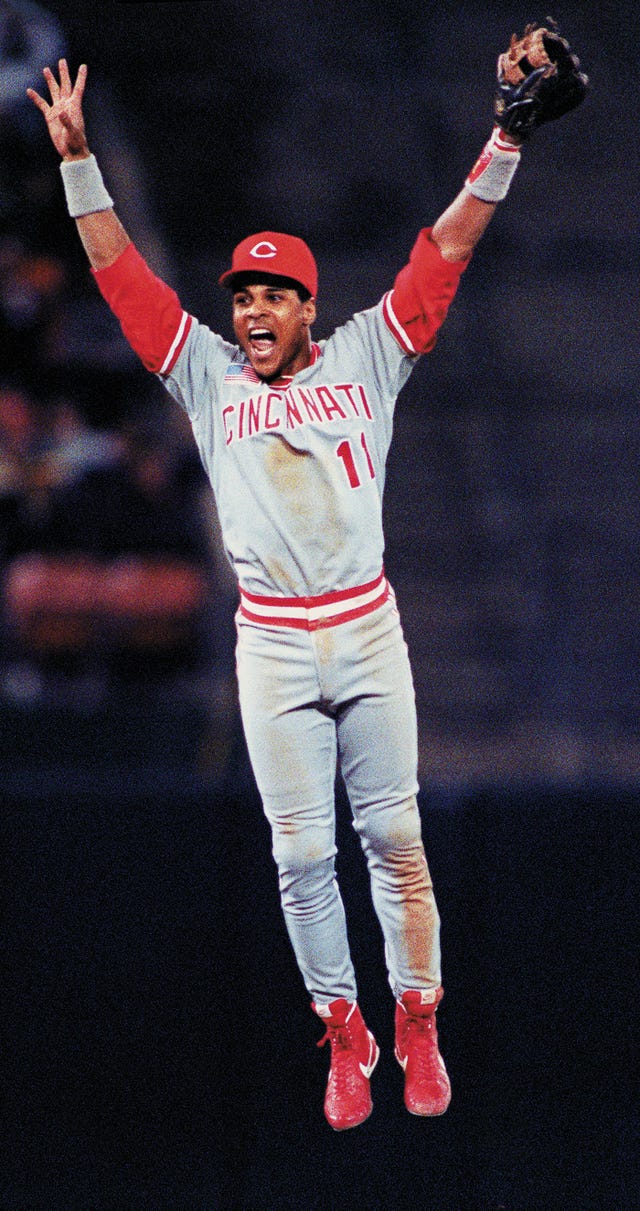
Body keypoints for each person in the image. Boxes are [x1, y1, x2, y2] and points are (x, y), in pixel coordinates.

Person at [27, 27, 586, 1131]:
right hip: (275, 638)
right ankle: (345, 1028)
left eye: (269, 297)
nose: (249, 312)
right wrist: (76, 161)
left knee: (394, 837)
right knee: (296, 851)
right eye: (241, 297)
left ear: (304, 306)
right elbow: (120, 276)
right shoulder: (205, 376)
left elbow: (443, 251)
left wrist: (504, 140)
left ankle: (416, 1013)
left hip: (366, 626)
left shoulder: (367, 357)